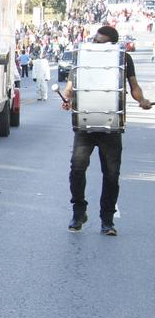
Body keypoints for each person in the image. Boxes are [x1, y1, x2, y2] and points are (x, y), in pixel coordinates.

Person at [59, 25, 151, 235]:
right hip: (85, 124)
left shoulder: (123, 59)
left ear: (111, 44)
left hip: (111, 125)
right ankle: (78, 212)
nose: (94, 44)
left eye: (99, 42)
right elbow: (71, 85)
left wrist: (142, 100)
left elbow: (133, 86)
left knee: (111, 175)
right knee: (77, 169)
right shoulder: (83, 57)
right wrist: (68, 99)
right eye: (94, 40)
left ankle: (107, 220)